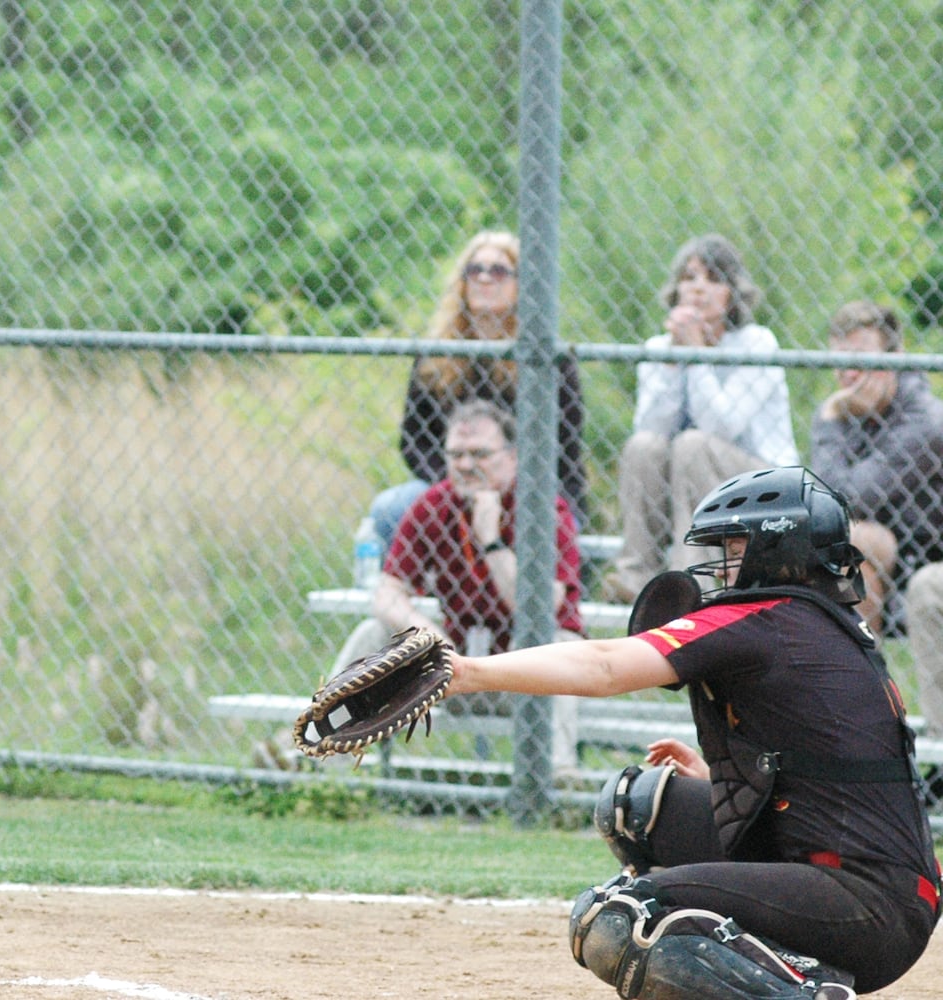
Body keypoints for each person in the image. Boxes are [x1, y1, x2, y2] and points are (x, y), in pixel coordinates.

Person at [450, 466, 938, 1000]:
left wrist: (466, 673)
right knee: (637, 805)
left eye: (734, 546)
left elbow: (605, 666)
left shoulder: (768, 618)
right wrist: (724, 775)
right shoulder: (819, 623)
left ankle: (802, 992)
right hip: (871, 890)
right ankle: (786, 966)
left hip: (866, 905)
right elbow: (834, 759)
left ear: (776, 548)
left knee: (623, 917)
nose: (722, 565)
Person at [371, 398, 584, 769]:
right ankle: (320, 757)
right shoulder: (434, 504)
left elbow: (540, 609)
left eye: (480, 454)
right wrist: (428, 636)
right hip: (457, 664)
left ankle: (557, 781)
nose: (466, 466)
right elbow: (388, 593)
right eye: (456, 455)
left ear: (513, 457)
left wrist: (491, 542)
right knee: (373, 634)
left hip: (526, 671)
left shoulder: (543, 508)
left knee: (551, 646)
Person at [601, 234, 796, 603]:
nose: (699, 289)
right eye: (690, 278)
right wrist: (674, 361)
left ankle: (691, 578)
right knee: (643, 446)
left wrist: (696, 354)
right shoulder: (660, 347)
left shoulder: (757, 343)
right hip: (686, 479)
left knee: (692, 444)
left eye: (713, 279)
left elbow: (721, 427)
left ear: (733, 293)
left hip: (762, 483)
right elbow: (652, 429)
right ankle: (636, 573)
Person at [368, 230, 587, 548]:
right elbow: (415, 440)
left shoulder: (549, 358)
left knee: (540, 519)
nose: (485, 279)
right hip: (452, 482)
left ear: (521, 285)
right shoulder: (436, 356)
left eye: (498, 271)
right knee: (389, 509)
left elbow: (563, 446)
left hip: (531, 487)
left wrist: (501, 484)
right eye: (475, 270)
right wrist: (459, 481)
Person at [808, 300, 943, 643]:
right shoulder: (844, 416)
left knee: (854, 539)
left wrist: (829, 421)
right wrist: (833, 420)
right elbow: (824, 507)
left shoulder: (926, 419)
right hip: (870, 554)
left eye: (861, 359)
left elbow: (849, 502)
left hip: (924, 558)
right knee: (844, 541)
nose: (850, 374)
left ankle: (862, 681)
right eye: (840, 362)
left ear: (895, 357)